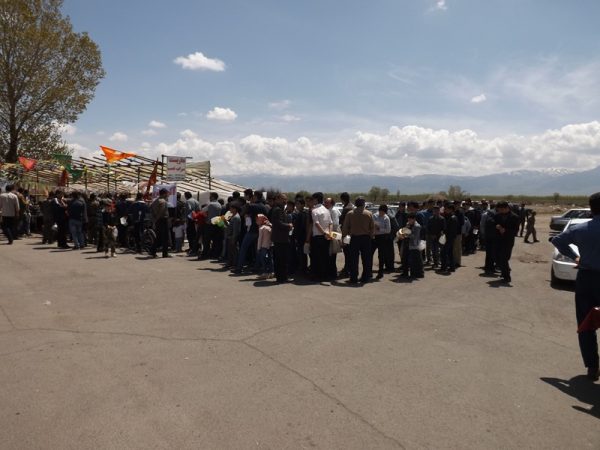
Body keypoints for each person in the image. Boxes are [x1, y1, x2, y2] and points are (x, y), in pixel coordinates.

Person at [551, 192, 600, 381]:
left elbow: (557, 240)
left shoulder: (580, 229)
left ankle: (592, 366)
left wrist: (575, 257)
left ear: (591, 208)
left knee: (586, 322)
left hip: (587, 279)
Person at [342, 197, 374, 284]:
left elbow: (345, 227)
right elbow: (372, 227)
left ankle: (353, 278)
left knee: (353, 259)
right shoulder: (369, 213)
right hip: (366, 238)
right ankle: (365, 277)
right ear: (363, 204)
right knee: (366, 259)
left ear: (355, 204)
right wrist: (371, 236)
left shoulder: (350, 213)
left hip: (354, 238)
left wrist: (344, 238)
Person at [493, 201, 520, 283]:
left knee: (504, 258)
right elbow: (492, 223)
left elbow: (515, 230)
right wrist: (496, 226)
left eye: (500, 209)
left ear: (506, 208)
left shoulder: (514, 217)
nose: (499, 211)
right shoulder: (497, 216)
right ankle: (505, 270)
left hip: (508, 241)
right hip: (498, 240)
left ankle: (507, 277)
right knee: (497, 258)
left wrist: (505, 230)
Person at [309, 192, 332, 281]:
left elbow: (316, 223)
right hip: (327, 237)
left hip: (318, 237)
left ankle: (316, 275)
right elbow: (330, 223)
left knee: (316, 257)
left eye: (313, 199)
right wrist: (329, 233)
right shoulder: (326, 210)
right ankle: (325, 275)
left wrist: (324, 233)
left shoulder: (314, 210)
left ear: (316, 199)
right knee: (325, 256)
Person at [271, 193, 293, 283]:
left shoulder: (279, 209)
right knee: (282, 259)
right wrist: (289, 225)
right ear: (278, 199)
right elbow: (278, 223)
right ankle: (282, 278)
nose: (285, 201)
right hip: (281, 238)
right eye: (283, 199)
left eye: (286, 199)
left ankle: (280, 277)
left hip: (279, 238)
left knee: (280, 259)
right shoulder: (278, 210)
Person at [149, 188, 171, 258]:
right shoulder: (163, 201)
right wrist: (156, 219)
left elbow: (151, 209)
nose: (168, 195)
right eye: (167, 193)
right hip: (163, 220)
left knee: (158, 236)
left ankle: (152, 251)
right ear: (164, 194)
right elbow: (161, 211)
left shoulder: (155, 201)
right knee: (165, 237)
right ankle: (165, 253)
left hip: (158, 221)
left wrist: (154, 219)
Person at [372, 204, 391, 279]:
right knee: (370, 254)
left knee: (381, 255)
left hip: (382, 238)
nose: (382, 213)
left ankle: (380, 272)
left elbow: (388, 230)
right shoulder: (374, 216)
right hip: (374, 237)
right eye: (381, 212)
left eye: (383, 212)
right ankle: (369, 271)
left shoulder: (386, 218)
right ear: (379, 210)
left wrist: (380, 229)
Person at [256, 214, 273, 279]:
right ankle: (271, 272)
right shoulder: (269, 226)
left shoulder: (261, 228)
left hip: (263, 246)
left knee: (263, 260)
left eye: (258, 219)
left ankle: (265, 273)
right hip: (270, 245)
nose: (256, 221)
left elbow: (260, 239)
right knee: (270, 259)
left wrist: (258, 248)